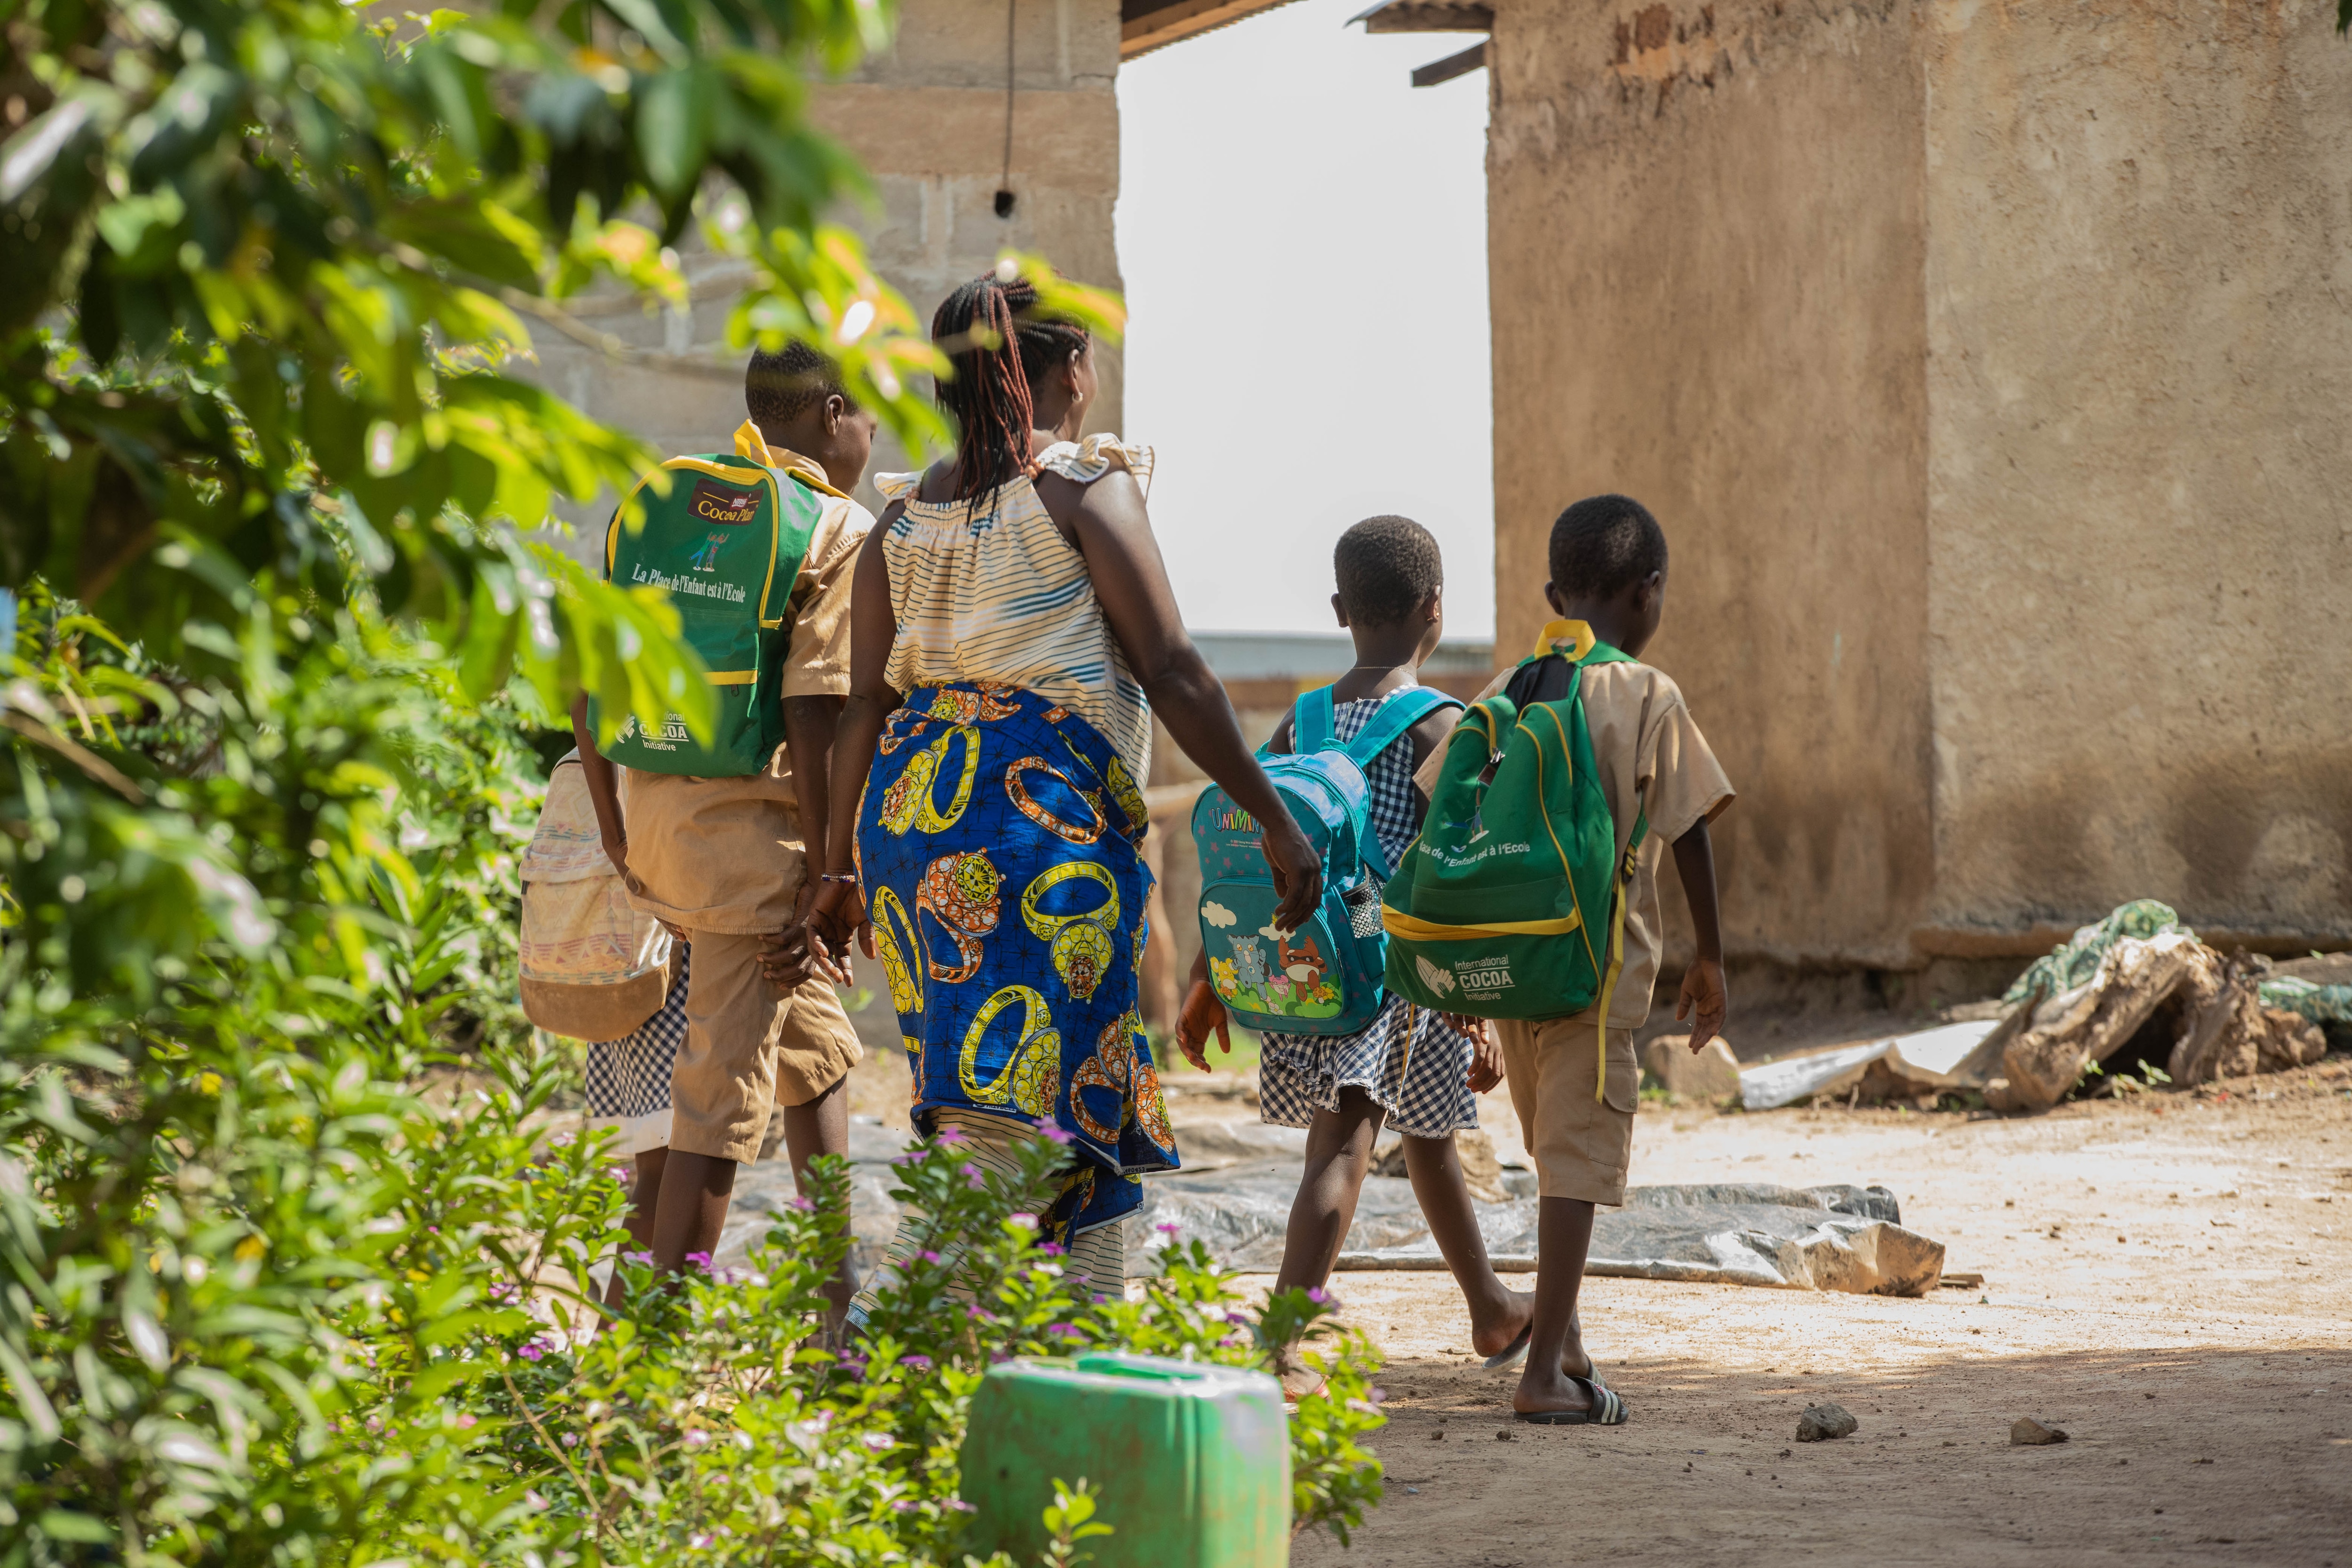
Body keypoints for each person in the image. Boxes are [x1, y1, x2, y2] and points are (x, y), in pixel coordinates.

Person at [803, 269, 1322, 1322]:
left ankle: (1078, 1341)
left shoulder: (899, 521)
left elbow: (863, 704)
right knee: (1018, 1115)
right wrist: (1275, 819)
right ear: (1072, 370)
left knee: (1018, 1084)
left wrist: (839, 866)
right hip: (1036, 835)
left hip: (913, 834)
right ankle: (900, 1338)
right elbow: (1173, 668)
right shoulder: (1083, 491)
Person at [1174, 515, 1534, 1397]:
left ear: (1340, 609)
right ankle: (1282, 1343)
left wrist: (1206, 977)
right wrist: (1475, 1005)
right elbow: (1455, 874)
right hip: (1391, 973)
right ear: (1435, 609)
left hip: (1302, 961)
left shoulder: (1299, 725)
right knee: (1340, 1149)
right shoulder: (1441, 727)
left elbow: (1244, 852)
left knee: (1431, 1138)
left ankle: (1490, 1305)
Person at [571, 342, 878, 1328]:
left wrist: (620, 834)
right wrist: (834, 869)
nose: (873, 438)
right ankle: (643, 1364)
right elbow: (818, 712)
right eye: (869, 418)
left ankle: (838, 1318)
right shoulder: (834, 526)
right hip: (762, 857)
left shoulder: (655, 506)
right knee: (716, 1105)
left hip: (660, 831)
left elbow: (587, 686)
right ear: (834, 413)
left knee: (818, 1048)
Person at [1421, 493, 1732, 1425]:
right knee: (1574, 1159)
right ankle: (1546, 1370)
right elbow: (1687, 831)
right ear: (1648, 594)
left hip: (1511, 967)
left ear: (1554, 591)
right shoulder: (1645, 693)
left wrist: (1462, 980)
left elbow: (1453, 814)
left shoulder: (1510, 686)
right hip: (1593, 974)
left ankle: (1563, 1337)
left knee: (1550, 1146)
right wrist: (1709, 955)